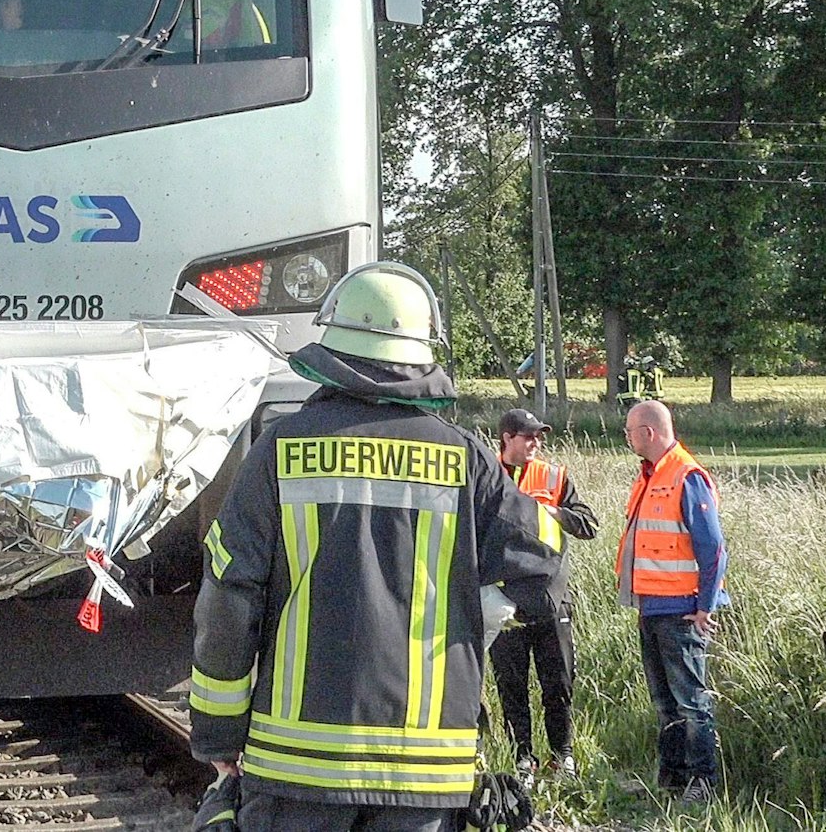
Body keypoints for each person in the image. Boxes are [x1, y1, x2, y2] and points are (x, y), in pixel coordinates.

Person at [189, 262, 563, 832]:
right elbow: (544, 553)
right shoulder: (466, 458)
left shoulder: (277, 450)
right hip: (427, 774)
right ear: (421, 353)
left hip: (296, 767)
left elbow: (228, 599)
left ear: (333, 345)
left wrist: (218, 734)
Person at [616, 399, 727, 804]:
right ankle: (671, 781)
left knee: (692, 703)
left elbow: (714, 548)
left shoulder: (685, 476)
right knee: (665, 704)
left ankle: (702, 784)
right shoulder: (650, 475)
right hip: (652, 607)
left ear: (649, 432)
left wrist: (705, 606)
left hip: (681, 611)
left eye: (630, 430)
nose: (626, 437)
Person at [489, 408, 598, 781]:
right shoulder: (485, 475)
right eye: (528, 436)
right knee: (511, 684)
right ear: (507, 438)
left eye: (539, 437)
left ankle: (563, 757)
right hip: (504, 600)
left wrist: (551, 511)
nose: (536, 443)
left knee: (559, 682)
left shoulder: (554, 476)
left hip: (552, 596)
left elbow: (588, 524)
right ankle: (523, 758)